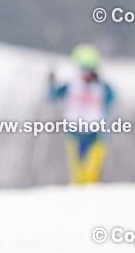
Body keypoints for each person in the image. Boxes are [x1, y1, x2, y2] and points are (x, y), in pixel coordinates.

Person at [48, 43, 115, 184]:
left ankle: (92, 197)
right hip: (74, 133)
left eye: (89, 70)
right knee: (77, 173)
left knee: (92, 172)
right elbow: (52, 96)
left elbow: (111, 101)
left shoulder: (103, 88)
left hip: (96, 134)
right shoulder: (71, 86)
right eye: (82, 70)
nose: (85, 74)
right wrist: (51, 82)